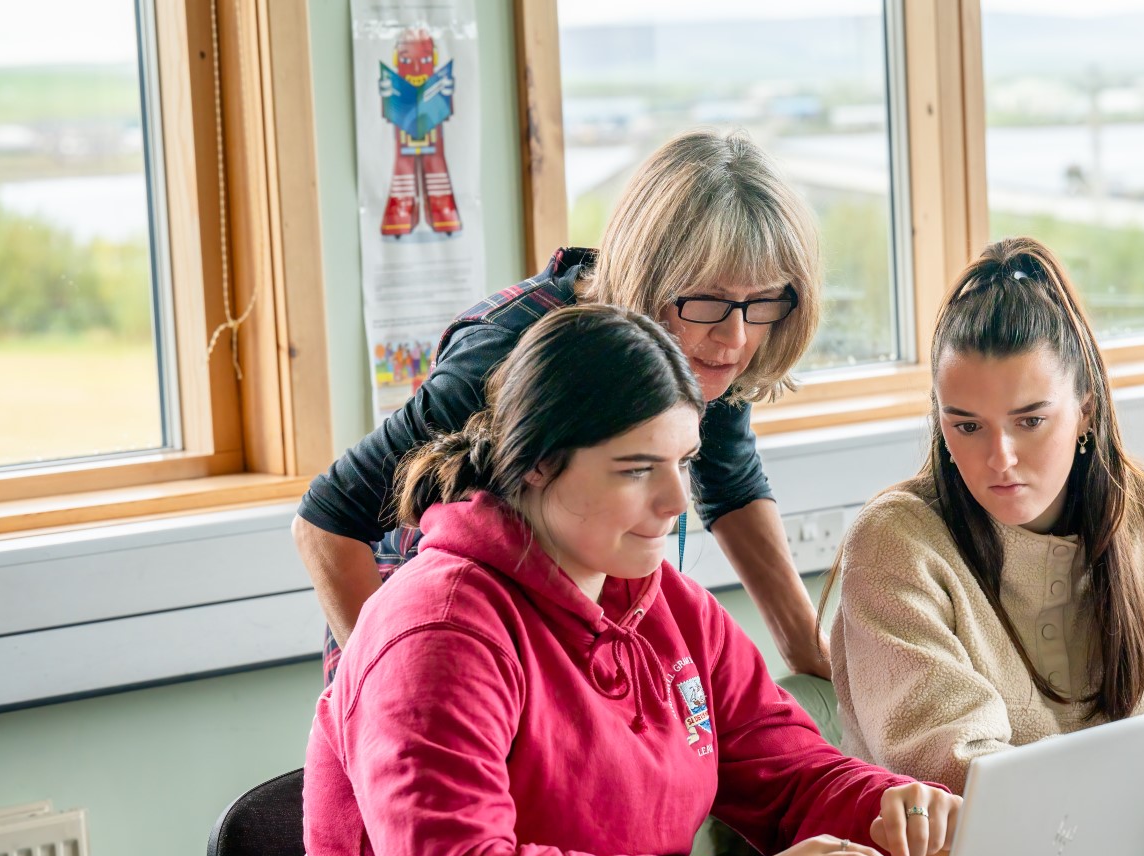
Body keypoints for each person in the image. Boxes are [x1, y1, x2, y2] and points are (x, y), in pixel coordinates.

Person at [301, 305, 960, 856]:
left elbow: (788, 777)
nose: (677, 502)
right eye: (637, 468)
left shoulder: (673, 609)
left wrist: (890, 804)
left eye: (684, 461)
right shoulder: (437, 630)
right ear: (538, 463)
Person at [827, 237, 1144, 839]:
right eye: (965, 426)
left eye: (1030, 420)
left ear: (1086, 411)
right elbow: (957, 770)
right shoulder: (896, 545)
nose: (1000, 458)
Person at [294, 130, 832, 684]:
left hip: (556, 631)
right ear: (651, 279)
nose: (736, 336)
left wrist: (815, 656)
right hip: (423, 636)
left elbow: (733, 486)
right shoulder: (509, 353)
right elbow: (326, 520)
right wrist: (385, 690)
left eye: (764, 300)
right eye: (710, 300)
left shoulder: (703, 345)